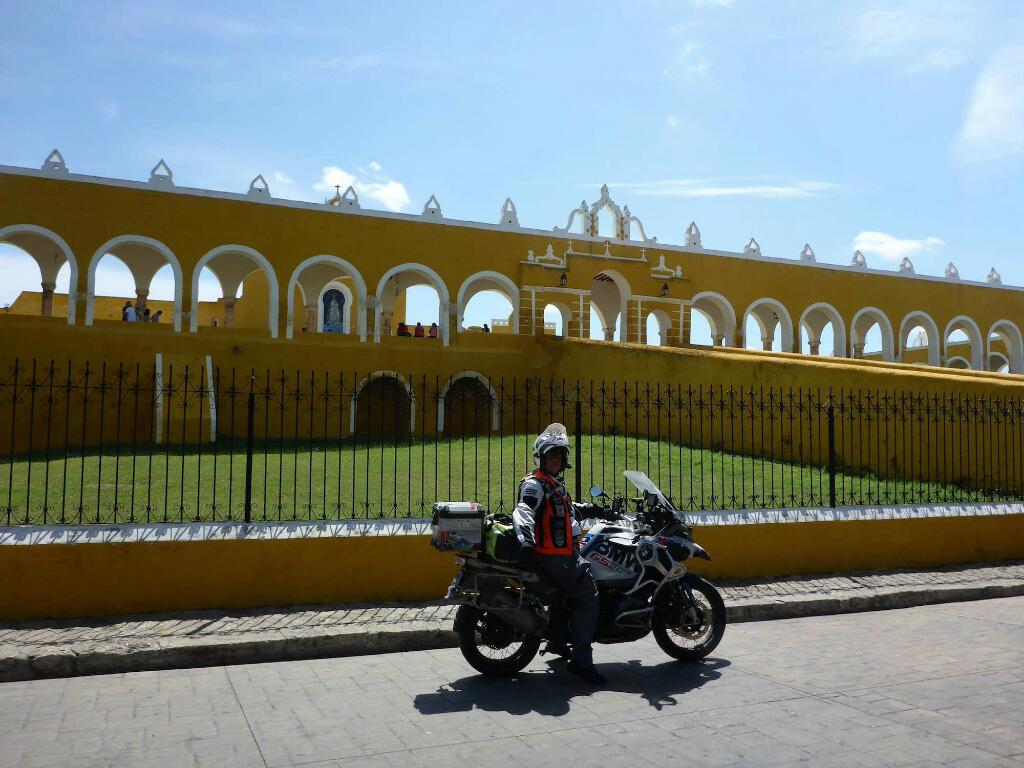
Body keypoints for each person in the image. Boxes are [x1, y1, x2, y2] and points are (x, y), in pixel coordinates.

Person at [513, 423, 606, 684]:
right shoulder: (535, 485)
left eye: (559, 456)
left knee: (566, 594)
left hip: (560, 554)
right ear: (541, 458)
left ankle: (557, 641)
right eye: (550, 455)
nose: (555, 459)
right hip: (553, 556)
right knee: (588, 594)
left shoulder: (552, 484)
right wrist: (526, 542)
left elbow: (567, 508)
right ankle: (582, 662)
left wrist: (595, 509)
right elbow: (524, 511)